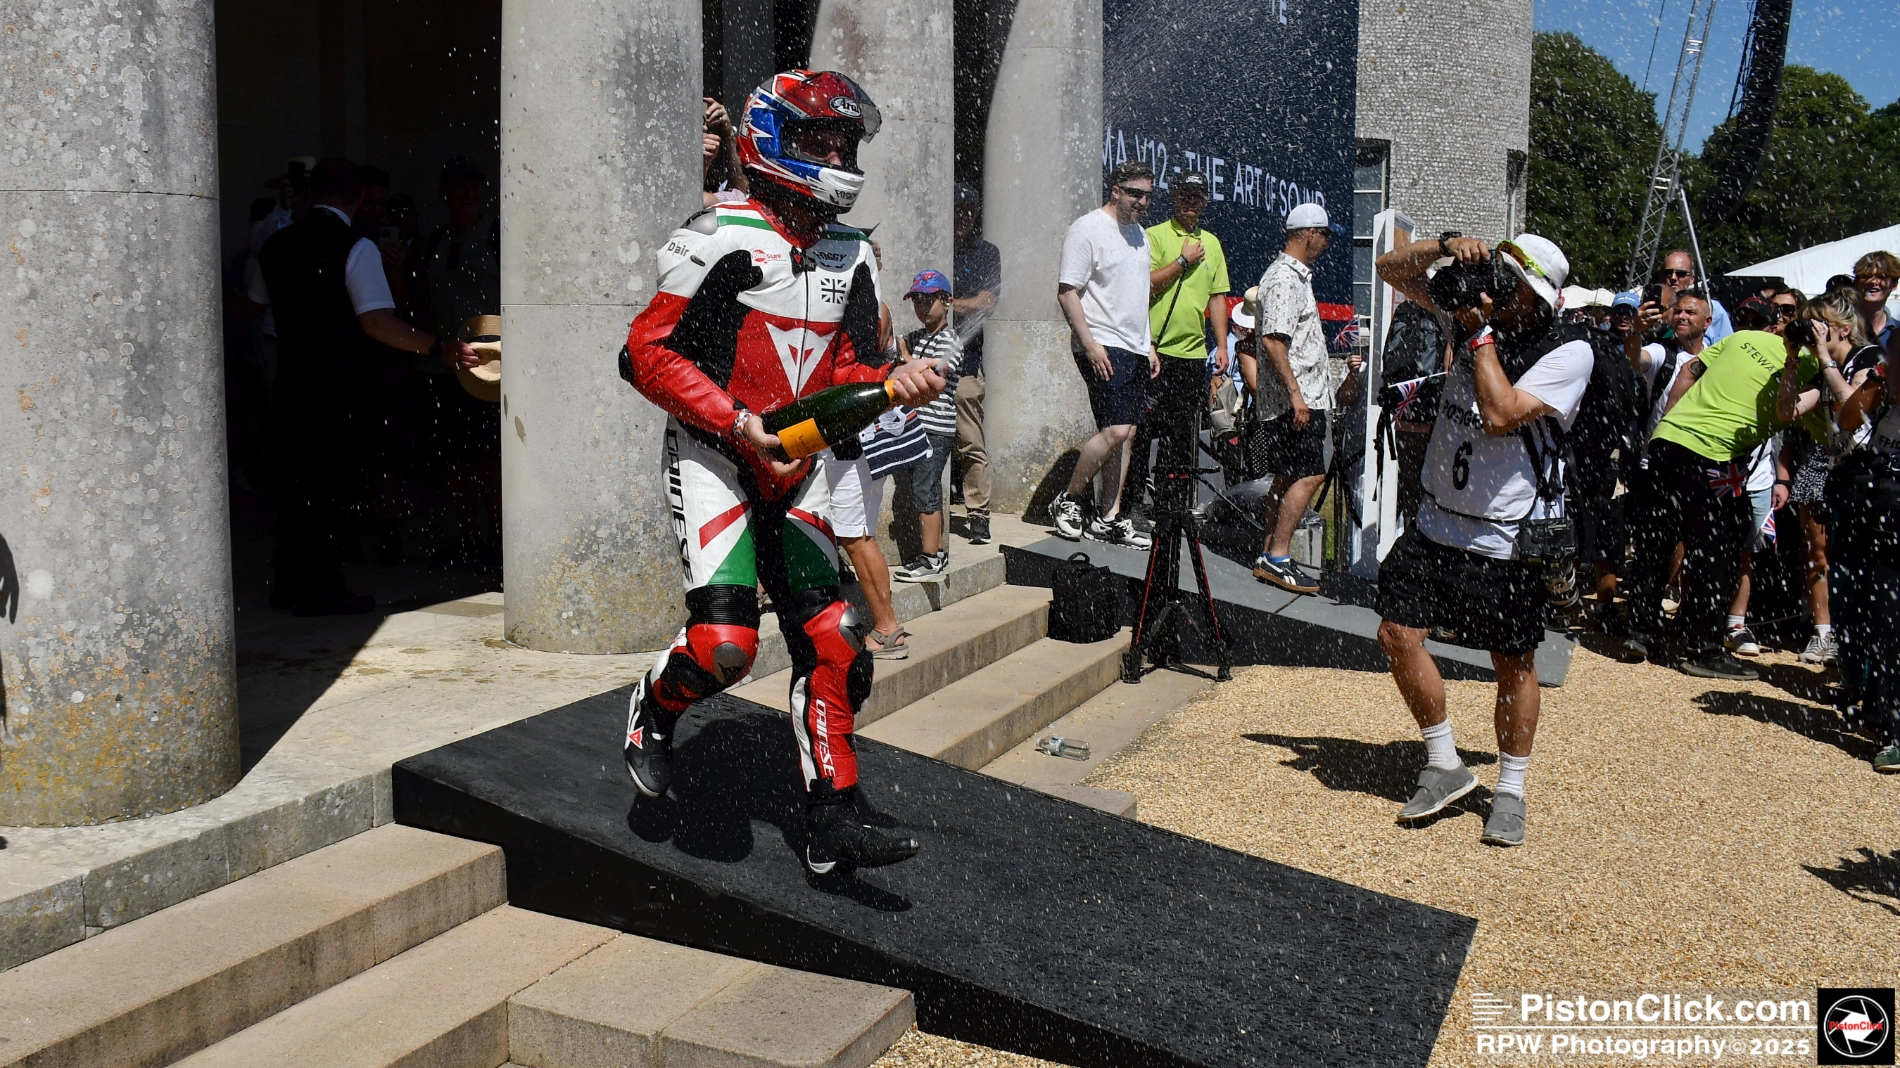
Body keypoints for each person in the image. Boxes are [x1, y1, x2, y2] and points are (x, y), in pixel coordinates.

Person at [618, 70, 945, 875]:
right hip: (716, 455)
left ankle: (832, 820)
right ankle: (652, 710)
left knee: (837, 641)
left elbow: (851, 368)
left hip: (798, 463)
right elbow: (643, 355)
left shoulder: (854, 251)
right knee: (725, 646)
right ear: (769, 140)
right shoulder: (716, 233)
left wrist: (892, 381)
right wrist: (739, 423)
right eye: (817, 141)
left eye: (844, 143)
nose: (835, 157)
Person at [1372, 231, 1592, 849]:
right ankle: (1444, 762)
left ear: (1540, 298)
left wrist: (1477, 332)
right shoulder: (1471, 310)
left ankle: (1512, 789)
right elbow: (1390, 270)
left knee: (1512, 662)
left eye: (1513, 288)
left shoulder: (1568, 350)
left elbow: (1499, 412)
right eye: (1499, 278)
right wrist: (1444, 247)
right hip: (1437, 520)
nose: (1498, 293)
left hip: (1506, 537)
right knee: (1396, 633)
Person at [248, 158, 479, 615]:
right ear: (356, 198)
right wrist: (438, 347)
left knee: (296, 486)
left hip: (292, 382)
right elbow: (375, 321)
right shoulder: (356, 246)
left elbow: (253, 303)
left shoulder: (276, 243)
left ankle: (289, 582)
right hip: (340, 387)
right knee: (332, 488)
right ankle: (322, 586)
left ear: (312, 194)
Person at [1624, 298, 1836, 679]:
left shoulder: (1743, 339)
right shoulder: (1813, 368)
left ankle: (1640, 631)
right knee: (1715, 554)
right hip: (1712, 453)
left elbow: (1689, 369)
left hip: (1670, 441)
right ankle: (1703, 649)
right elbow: (1820, 426)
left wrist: (1667, 425)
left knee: (1657, 541)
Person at [1051, 160, 1160, 549]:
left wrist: (1148, 343)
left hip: (1133, 346)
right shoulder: (1087, 229)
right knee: (1116, 430)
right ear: (1115, 190)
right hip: (1101, 343)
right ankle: (1068, 499)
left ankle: (1108, 517)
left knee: (1126, 434)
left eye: (1147, 195)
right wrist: (1090, 344)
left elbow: (1137, 296)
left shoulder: (1141, 237)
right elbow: (1067, 291)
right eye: (1134, 193)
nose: (1142, 202)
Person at [1777, 290, 1885, 665]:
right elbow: (1787, 410)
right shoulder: (1824, 371)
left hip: (1872, 476)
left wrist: (1824, 358)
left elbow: (1850, 408)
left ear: (1842, 328)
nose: (1812, 332)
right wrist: (1792, 359)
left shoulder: (1869, 358)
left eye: (1818, 324)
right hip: (1841, 473)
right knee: (1828, 558)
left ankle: (1864, 652)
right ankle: (1833, 639)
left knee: (1864, 566)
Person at [412, 156, 504, 567]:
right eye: (460, 186)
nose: (469, 192)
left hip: (491, 370)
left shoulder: (498, 234)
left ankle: (499, 542)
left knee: (493, 458)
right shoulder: (431, 242)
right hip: (442, 367)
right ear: (443, 193)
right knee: (454, 458)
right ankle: (469, 539)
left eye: (475, 185)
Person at [1247, 202, 1336, 595]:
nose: (1327, 242)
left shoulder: (1291, 275)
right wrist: (1297, 396)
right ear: (1309, 233)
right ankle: (1279, 556)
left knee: (1287, 475)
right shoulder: (1285, 277)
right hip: (1298, 400)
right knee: (1310, 474)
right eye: (1325, 234)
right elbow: (1272, 341)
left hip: (1298, 397)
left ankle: (1268, 550)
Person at [1131, 171, 1228, 520]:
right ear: (1174, 197)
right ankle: (1133, 501)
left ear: (1205, 201)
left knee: (1182, 433)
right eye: (1185, 195)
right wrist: (1183, 261)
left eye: (1197, 196)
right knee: (1142, 430)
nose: (1191, 202)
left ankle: (1171, 504)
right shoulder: (1154, 236)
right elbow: (1145, 285)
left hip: (1193, 354)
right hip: (1155, 351)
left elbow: (1217, 296)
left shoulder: (1212, 243)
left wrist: (1221, 345)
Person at [1828, 349, 1900, 772]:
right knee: (1885, 625)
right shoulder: (1883, 390)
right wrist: (1879, 377)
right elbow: (1848, 419)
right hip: (1882, 520)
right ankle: (1889, 725)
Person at [893, 270, 963, 583]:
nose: (922, 307)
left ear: (946, 302)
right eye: (917, 300)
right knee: (922, 490)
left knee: (925, 491)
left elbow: (931, 378)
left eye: (928, 300)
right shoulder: (918, 336)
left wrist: (905, 356)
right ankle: (935, 552)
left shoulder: (952, 341)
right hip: (917, 428)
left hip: (936, 429)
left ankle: (930, 559)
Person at [951, 183, 999, 545]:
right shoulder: (933, 239)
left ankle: (979, 515)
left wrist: (947, 304)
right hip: (923, 362)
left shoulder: (985, 252)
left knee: (970, 442)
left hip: (966, 362)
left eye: (971, 210)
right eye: (959, 209)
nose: (965, 216)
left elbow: (986, 303)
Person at [1652, 249, 1733, 344]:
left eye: (1680, 273)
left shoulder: (1711, 308)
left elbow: (1728, 345)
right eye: (1668, 272)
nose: (1673, 278)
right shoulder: (1652, 305)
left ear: (1692, 279)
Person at [1851, 250, 1897, 352]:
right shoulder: (1842, 329)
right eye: (1867, 276)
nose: (1873, 282)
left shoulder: (1897, 331)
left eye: (1882, 276)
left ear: (1894, 285)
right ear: (1856, 282)